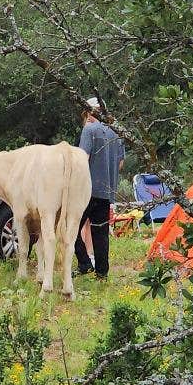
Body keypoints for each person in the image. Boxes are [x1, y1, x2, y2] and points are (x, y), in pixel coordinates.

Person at [74, 96, 125, 280]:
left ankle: (85, 263)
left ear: (95, 112)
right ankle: (102, 273)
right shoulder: (116, 131)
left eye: (89, 111)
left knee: (70, 229)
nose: (87, 115)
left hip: (87, 190)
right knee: (101, 233)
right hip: (106, 191)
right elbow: (120, 163)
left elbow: (82, 160)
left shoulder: (89, 130)